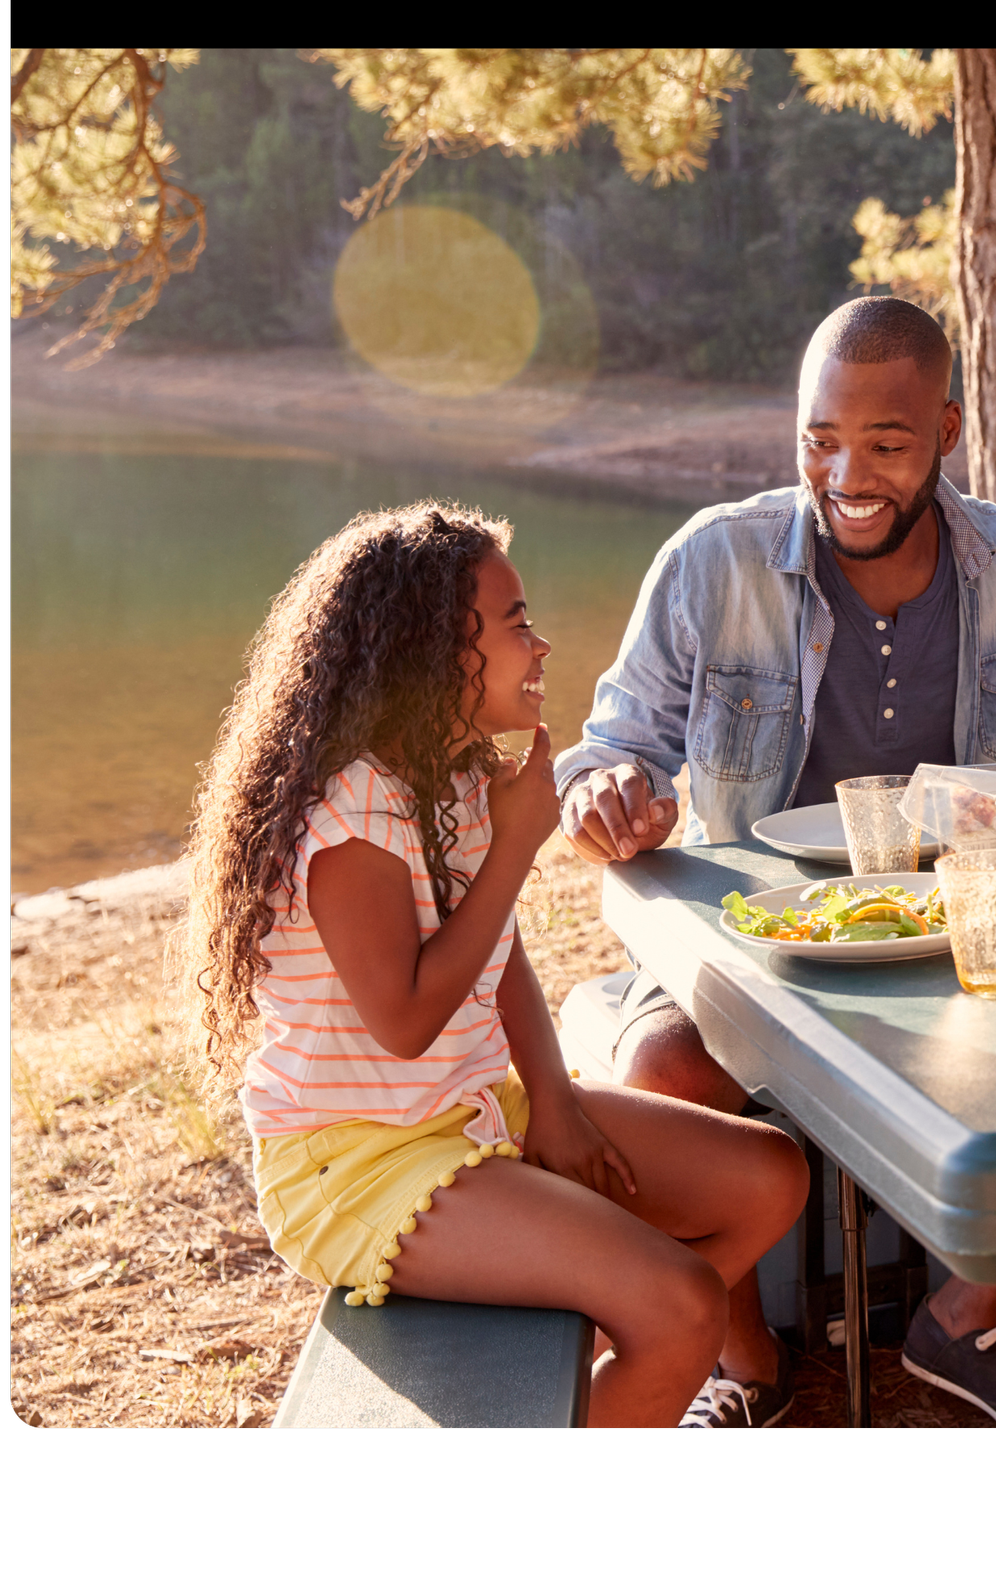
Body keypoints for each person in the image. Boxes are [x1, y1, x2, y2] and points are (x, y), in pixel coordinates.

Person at [555, 297, 996, 1428]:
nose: (846, 475)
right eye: (820, 440)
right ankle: (742, 1362)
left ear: (948, 431)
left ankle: (963, 1316)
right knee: (668, 1069)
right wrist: (606, 794)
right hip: (752, 943)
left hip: (963, 938)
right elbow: (613, 745)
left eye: (886, 443)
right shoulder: (713, 559)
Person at [183, 501, 807, 1430]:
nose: (541, 645)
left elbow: (496, 954)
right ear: (435, 650)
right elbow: (405, 1020)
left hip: (475, 1108)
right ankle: (642, 1350)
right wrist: (517, 843)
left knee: (769, 1178)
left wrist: (551, 1099)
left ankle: (595, 1367)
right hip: (360, 1161)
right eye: (515, 623)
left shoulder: (455, 773)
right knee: (682, 1305)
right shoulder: (352, 812)